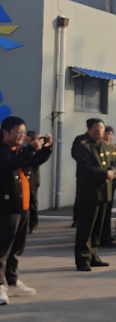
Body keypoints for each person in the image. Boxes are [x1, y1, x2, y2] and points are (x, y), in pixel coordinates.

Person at [0, 117, 53, 304]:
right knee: (3, 248)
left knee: (16, 247)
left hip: (22, 205)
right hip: (6, 207)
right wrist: (31, 149)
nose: (22, 135)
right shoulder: (4, 152)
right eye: (18, 132)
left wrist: (46, 149)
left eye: (24, 132)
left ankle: (12, 282)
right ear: (5, 132)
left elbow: (33, 161)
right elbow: (9, 165)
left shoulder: (21, 151)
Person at [73, 118, 116, 271]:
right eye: (97, 128)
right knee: (86, 227)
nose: (101, 131)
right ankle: (82, 258)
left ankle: (93, 255)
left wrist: (112, 172)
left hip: (105, 192)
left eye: (102, 128)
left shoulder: (107, 146)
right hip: (89, 193)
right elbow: (85, 168)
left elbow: (113, 163)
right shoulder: (83, 146)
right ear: (90, 130)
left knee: (98, 227)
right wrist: (105, 174)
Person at [70, 119, 95, 228]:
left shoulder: (99, 140)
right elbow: (74, 154)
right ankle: (77, 218)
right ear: (90, 128)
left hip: (98, 173)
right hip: (83, 172)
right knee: (80, 196)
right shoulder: (80, 139)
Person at [99, 126, 116, 247]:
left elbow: (114, 164)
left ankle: (106, 235)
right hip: (100, 182)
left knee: (107, 211)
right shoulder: (99, 147)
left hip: (110, 183)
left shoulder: (113, 148)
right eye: (106, 134)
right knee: (100, 212)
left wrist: (112, 170)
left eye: (110, 134)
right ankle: (100, 236)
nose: (108, 136)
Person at [23, 131, 41, 234]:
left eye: (28, 137)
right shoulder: (24, 149)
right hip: (25, 178)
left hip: (34, 177)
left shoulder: (35, 150)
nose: (26, 139)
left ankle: (33, 223)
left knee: (33, 201)